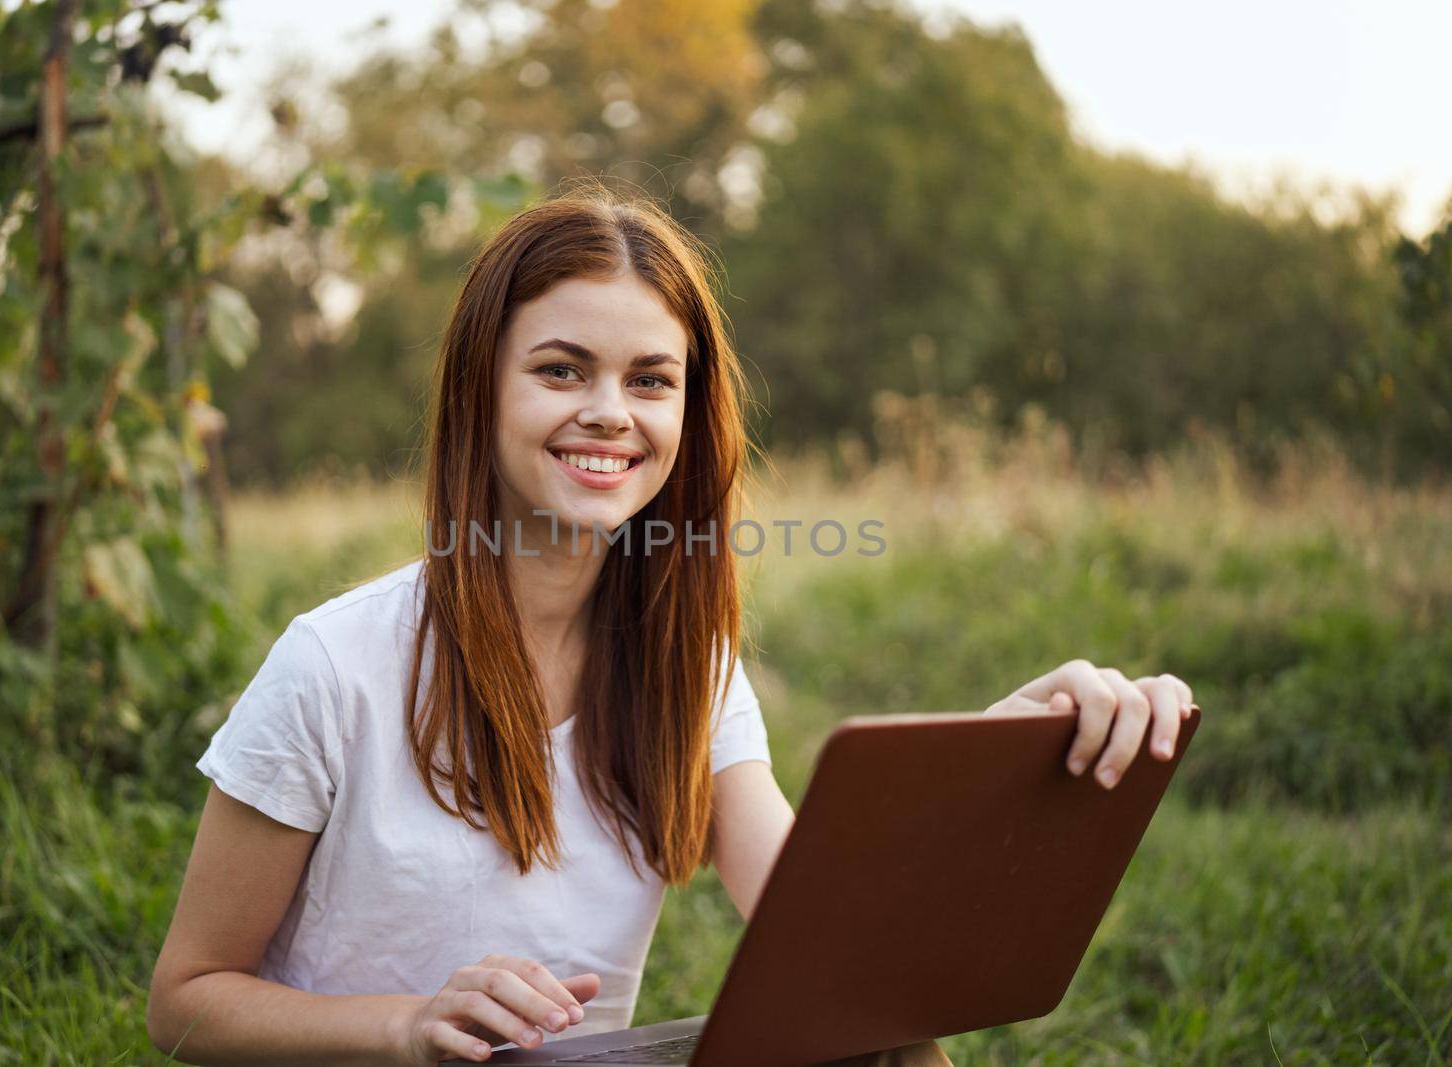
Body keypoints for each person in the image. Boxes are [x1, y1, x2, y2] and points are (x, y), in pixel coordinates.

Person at [145, 183, 1194, 1066]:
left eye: (650, 380)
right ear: (480, 390)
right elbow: (186, 999)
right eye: (561, 369)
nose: (610, 410)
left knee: (891, 1044)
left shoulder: (688, 667)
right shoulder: (334, 663)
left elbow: (823, 925)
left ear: (687, 417)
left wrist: (1001, 752)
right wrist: (409, 1023)